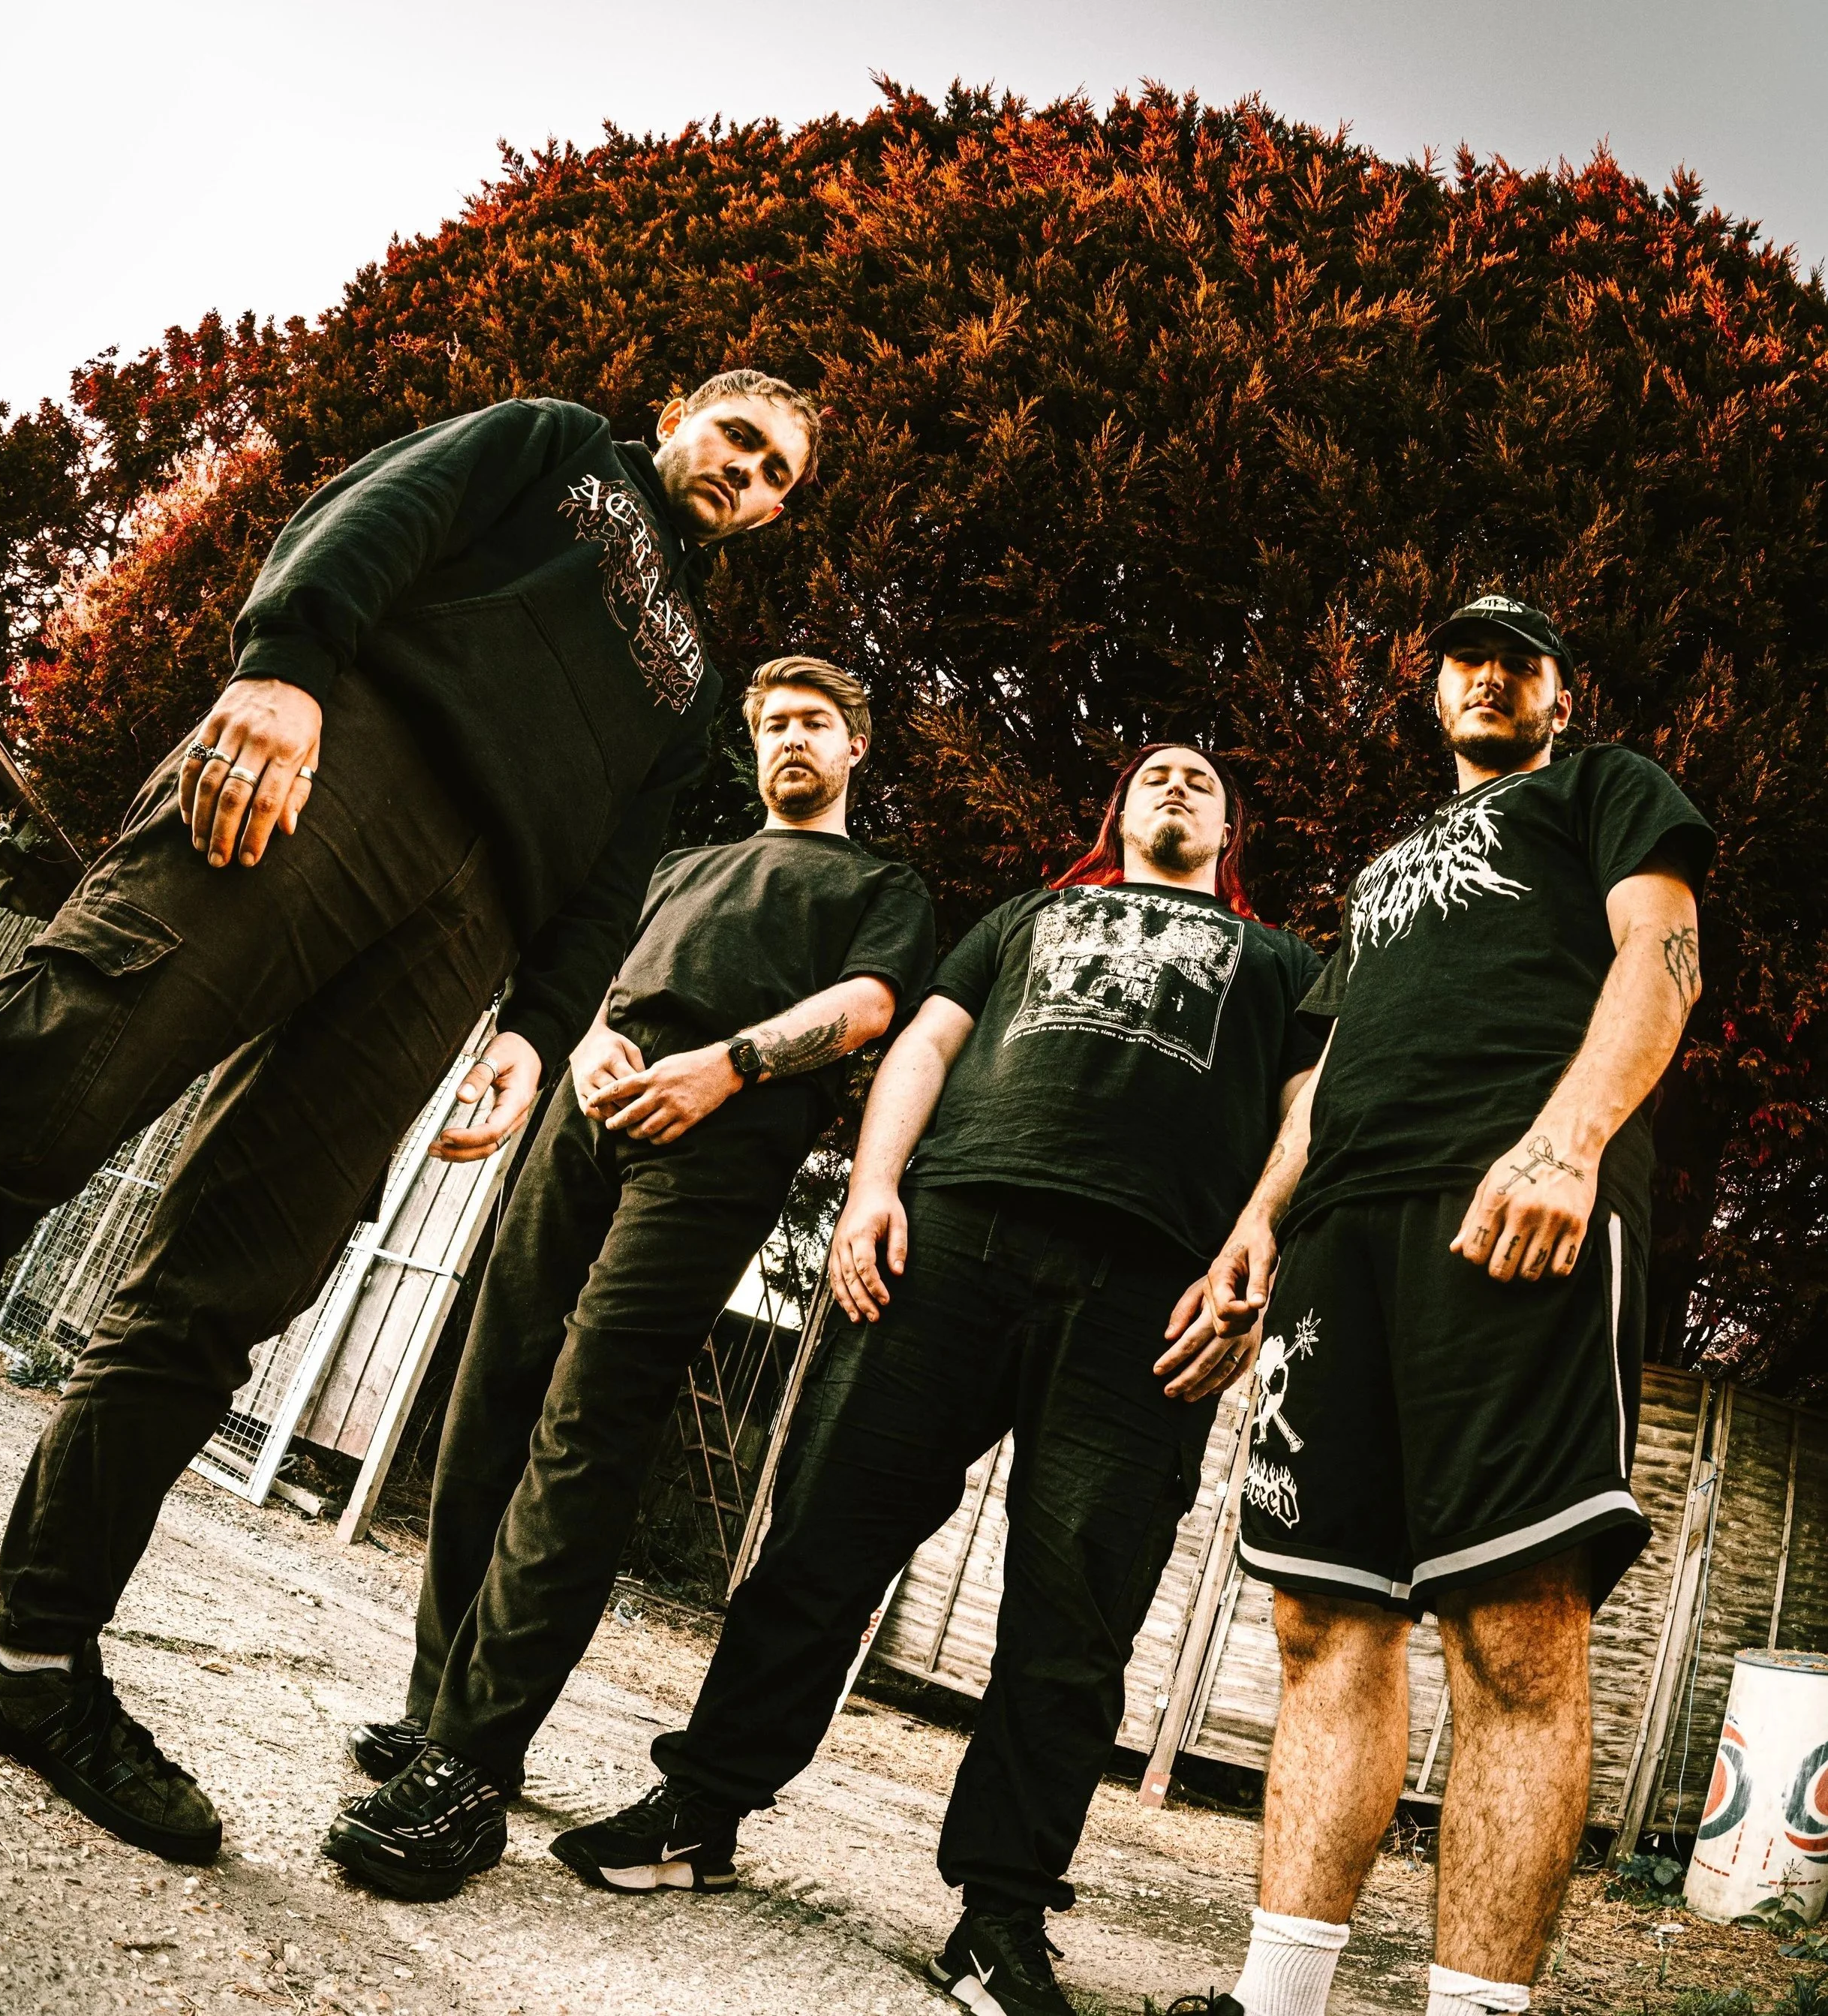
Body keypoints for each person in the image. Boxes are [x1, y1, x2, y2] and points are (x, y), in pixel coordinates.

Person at [0, 372, 820, 1865]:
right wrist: (285, 670)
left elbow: (614, 871)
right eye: (737, 437)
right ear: (679, 414)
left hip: (471, 919)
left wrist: (537, 1032)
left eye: (776, 475)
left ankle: (31, 1650)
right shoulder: (556, 449)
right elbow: (380, 509)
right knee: (51, 1072)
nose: (744, 474)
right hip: (349, 757)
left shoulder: (691, 683)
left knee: (239, 1273)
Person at [561, 743, 1327, 2016]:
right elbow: (924, 1043)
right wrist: (870, 1190)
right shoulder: (1030, 915)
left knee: (1076, 1609)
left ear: (1232, 828)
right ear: (1118, 811)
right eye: (1154, 776)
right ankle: (699, 1809)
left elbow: (1311, 1107)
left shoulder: (1285, 962)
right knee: (822, 1528)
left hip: (1153, 1290)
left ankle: (999, 1915)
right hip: (950, 1238)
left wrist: (1259, 1236)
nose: (1178, 786)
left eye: (1203, 780)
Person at [320, 655, 935, 1900]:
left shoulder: (880, 884)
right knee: (492, 1387)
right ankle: (441, 1701)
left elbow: (870, 1005)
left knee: (586, 1420)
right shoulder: (682, 866)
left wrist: (729, 1066)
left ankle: (473, 1762)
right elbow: (603, 979)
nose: (790, 742)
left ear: (856, 746)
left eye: (814, 723)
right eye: (771, 725)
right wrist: (595, 1039)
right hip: (591, 1113)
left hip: (720, 1133)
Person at [1196, 597, 1714, 2016]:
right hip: (1339, 1241)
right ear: (1433, 696)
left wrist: (1567, 1140)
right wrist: (1255, 1226)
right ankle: (1275, 2002)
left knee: (1511, 1630)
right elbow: (1321, 1070)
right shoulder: (1377, 875)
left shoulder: (1605, 789)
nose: (1488, 675)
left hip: (1505, 1209)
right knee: (1322, 1625)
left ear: (1557, 694)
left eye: (1519, 660)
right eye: (1463, 659)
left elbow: (1659, 953)